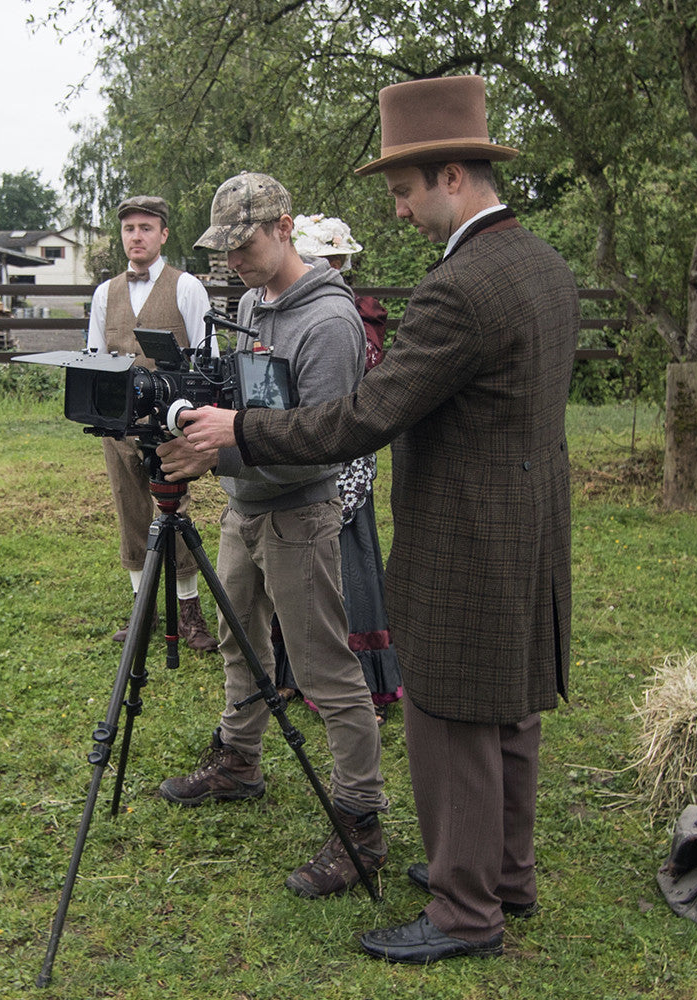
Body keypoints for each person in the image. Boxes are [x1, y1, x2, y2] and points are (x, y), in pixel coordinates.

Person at [165, 77, 579, 964]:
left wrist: (240, 429)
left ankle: (467, 912)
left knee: (450, 715)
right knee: (508, 710)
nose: (397, 212)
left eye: (404, 191)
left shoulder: (460, 288)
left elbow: (362, 416)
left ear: (454, 175)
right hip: (531, 522)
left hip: (465, 532)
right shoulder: (541, 265)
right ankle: (506, 872)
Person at [154, 172, 388, 900]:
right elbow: (247, 397)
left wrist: (217, 453)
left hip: (298, 511)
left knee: (323, 669)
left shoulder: (330, 323)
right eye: (222, 250)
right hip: (243, 504)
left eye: (245, 244)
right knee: (238, 638)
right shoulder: (253, 301)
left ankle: (360, 822)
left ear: (285, 227)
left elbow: (325, 442)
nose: (234, 262)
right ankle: (240, 759)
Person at [275, 214, 403, 721]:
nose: (323, 267)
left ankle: (358, 685)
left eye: (331, 261)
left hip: (346, 454)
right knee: (304, 569)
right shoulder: (297, 309)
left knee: (348, 567)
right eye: (316, 259)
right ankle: (291, 672)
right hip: (303, 450)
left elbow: (359, 402)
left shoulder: (354, 319)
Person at [86, 195, 217, 652]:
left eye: (146, 227)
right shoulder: (105, 293)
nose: (136, 236)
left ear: (163, 234)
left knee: (173, 510)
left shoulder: (187, 288)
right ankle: (142, 610)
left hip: (169, 426)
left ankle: (190, 611)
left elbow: (208, 359)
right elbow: (95, 358)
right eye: (129, 229)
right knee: (130, 512)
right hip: (119, 425)